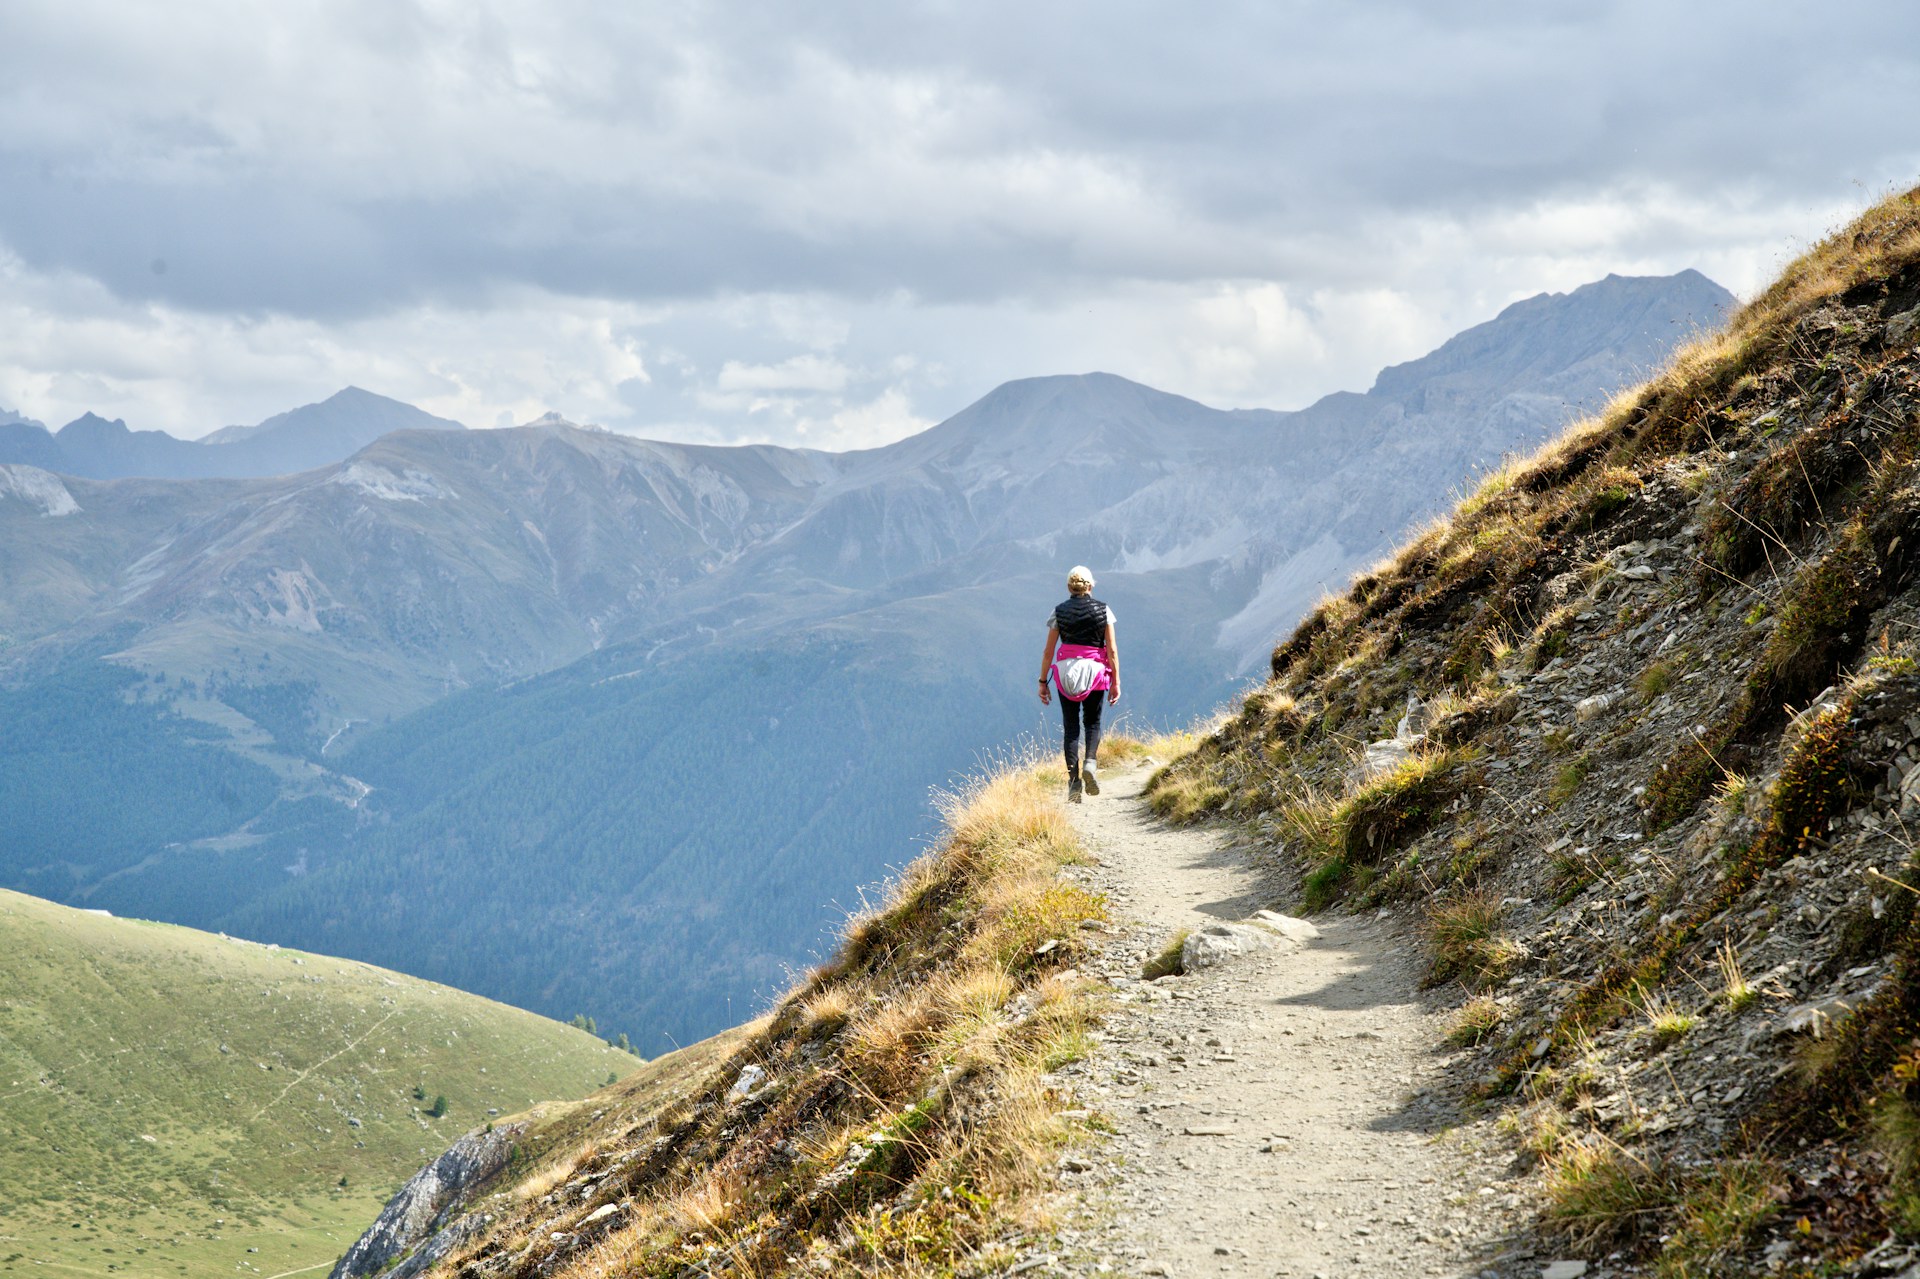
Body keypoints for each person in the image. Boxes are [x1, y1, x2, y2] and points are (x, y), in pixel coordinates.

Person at [1037, 565, 1120, 803]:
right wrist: (1116, 681)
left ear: (1069, 587)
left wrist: (1043, 681)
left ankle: (1073, 784)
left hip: (1066, 672)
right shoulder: (1104, 610)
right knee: (1092, 722)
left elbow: (1048, 652)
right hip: (1095, 671)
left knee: (1071, 727)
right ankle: (1090, 763)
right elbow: (1112, 651)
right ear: (1091, 585)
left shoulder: (1058, 612)